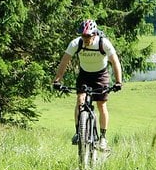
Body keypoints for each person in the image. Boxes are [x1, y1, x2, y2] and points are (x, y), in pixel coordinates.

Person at [52, 19, 124, 151]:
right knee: (80, 100)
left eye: (88, 36)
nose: (85, 38)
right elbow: (64, 62)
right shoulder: (76, 43)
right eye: (83, 35)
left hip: (101, 75)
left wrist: (118, 82)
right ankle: (78, 132)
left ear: (95, 34)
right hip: (84, 74)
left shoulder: (103, 43)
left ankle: (102, 137)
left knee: (101, 105)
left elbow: (115, 62)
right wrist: (57, 80)